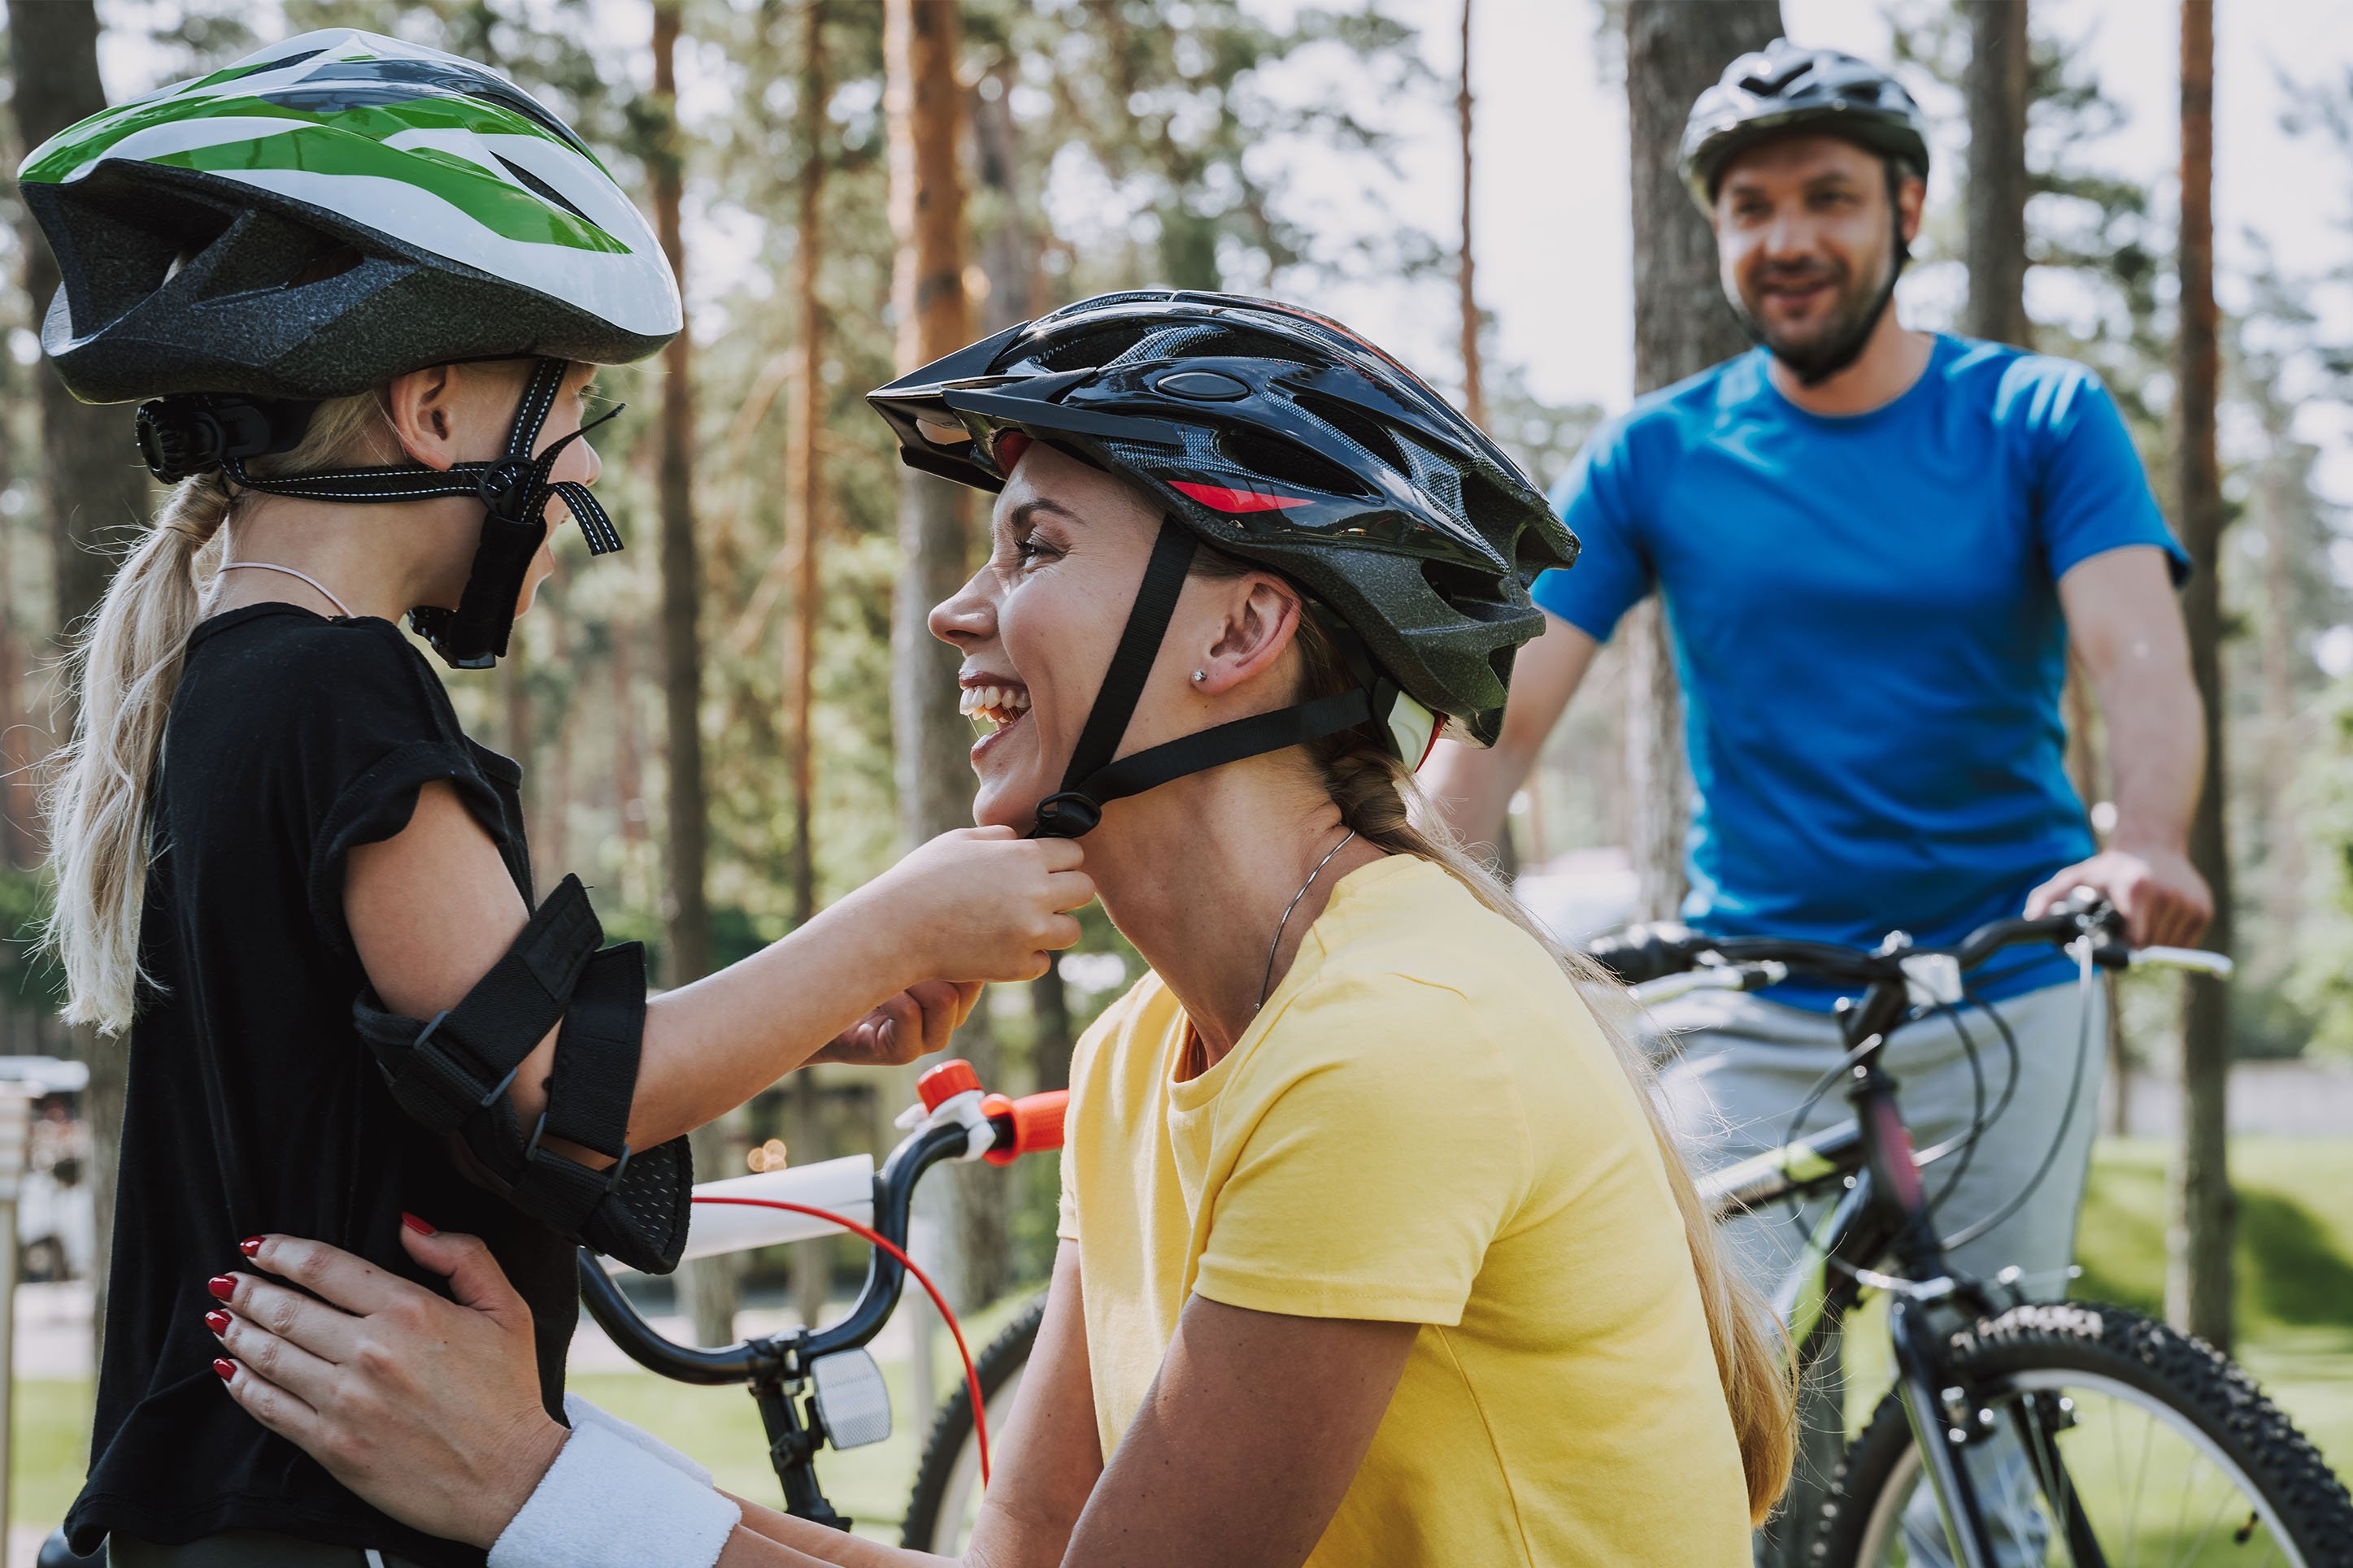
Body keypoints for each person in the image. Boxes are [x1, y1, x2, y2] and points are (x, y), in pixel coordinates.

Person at [197, 292, 1794, 1567]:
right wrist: (548, 1480)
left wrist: (537, 1483)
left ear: (1243, 627)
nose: (961, 609)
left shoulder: (1390, 1044)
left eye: (1031, 546)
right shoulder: (1135, 1058)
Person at [23, 33, 1089, 1568]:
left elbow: (473, 1084)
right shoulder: (343, 692)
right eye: (570, 401)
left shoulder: (229, 684)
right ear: (436, 408)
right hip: (332, 1525)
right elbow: (568, 1091)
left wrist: (811, 1005)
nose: (581, 458)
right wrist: (897, 917)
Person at [1420, 37, 2207, 1562]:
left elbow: (2135, 653)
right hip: (1755, 995)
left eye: (1828, 198)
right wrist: (1395, 893)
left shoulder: (2038, 416)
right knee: (1690, 1402)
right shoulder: (1658, 450)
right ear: (1718, 231)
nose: (1786, 238)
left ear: (1903, 210)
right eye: (1751, 206)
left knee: (1980, 1426)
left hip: (2009, 977)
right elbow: (1500, 717)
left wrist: (2152, 840)